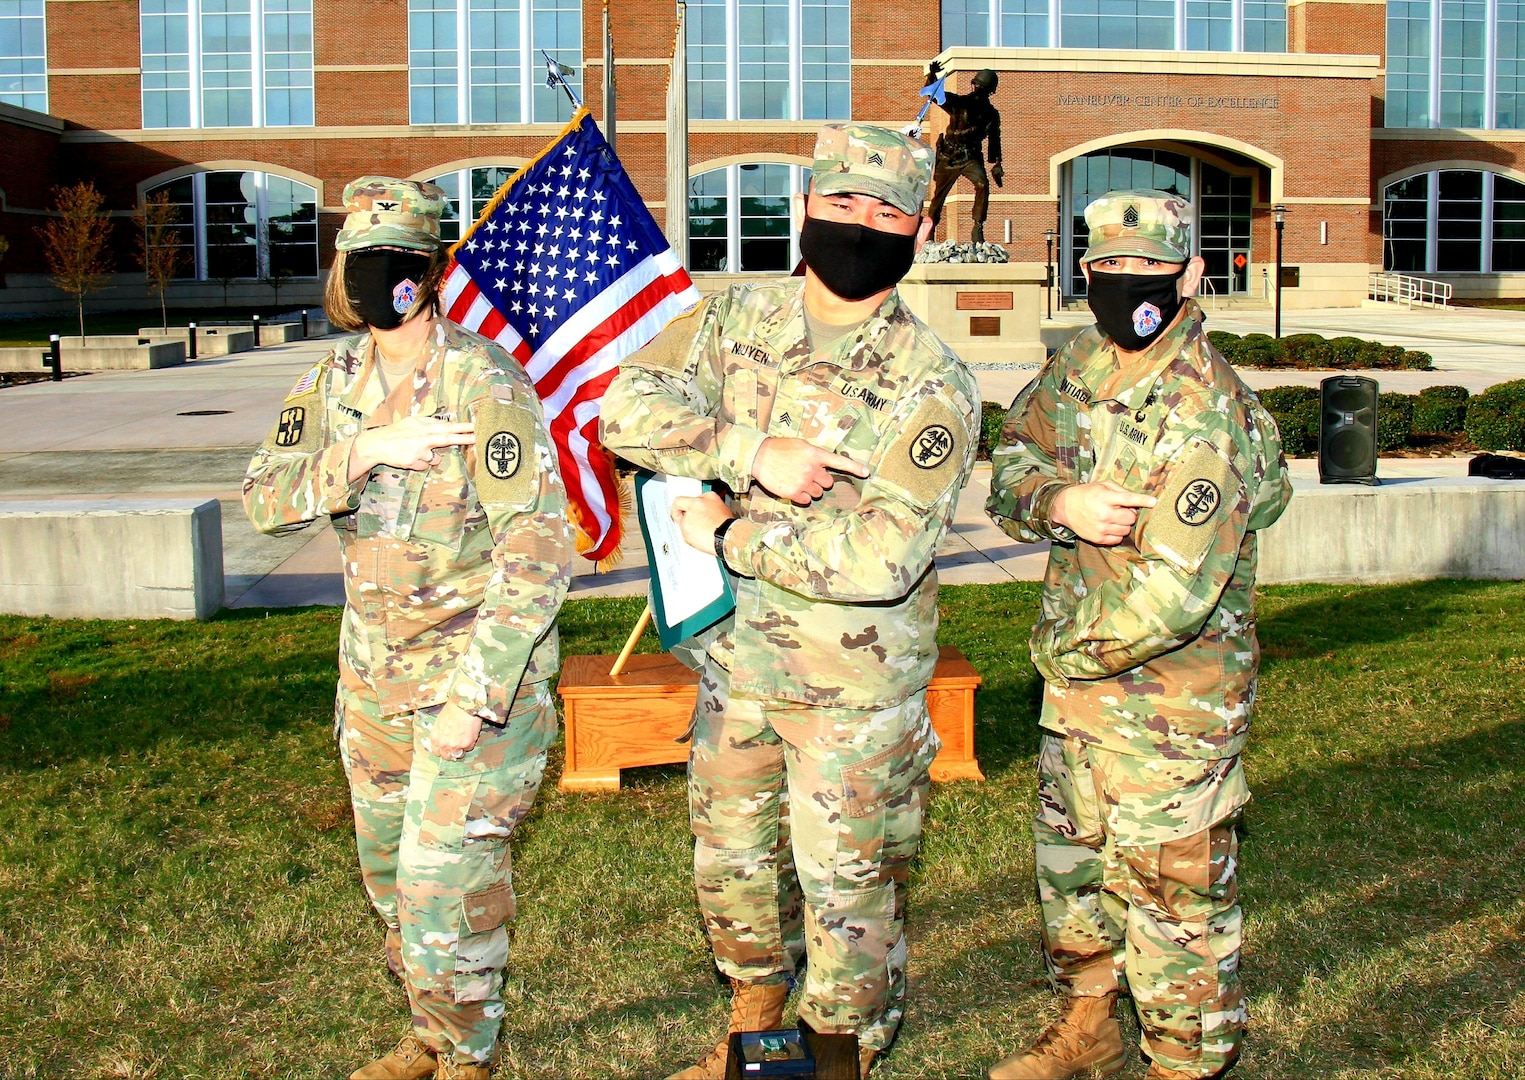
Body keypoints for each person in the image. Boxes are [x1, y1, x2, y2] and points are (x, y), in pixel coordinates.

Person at [600, 124, 979, 1080]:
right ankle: (752, 1008)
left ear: (921, 229)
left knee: (847, 890)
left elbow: (883, 556)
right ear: (805, 207)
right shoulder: (734, 325)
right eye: (843, 202)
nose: (863, 224)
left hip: (850, 686)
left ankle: (835, 1052)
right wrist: (747, 452)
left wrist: (732, 536)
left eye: (888, 210)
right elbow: (625, 409)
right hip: (736, 664)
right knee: (729, 856)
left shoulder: (932, 383)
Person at [243, 177, 574, 1080]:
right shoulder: (333, 379)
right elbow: (265, 497)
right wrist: (361, 451)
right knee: (392, 883)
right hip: (374, 685)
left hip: (472, 682)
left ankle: (467, 1054)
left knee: (443, 888)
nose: (373, 270)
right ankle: (429, 1029)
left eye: (395, 254)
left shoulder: (483, 383)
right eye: (359, 252)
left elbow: (541, 549)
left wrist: (478, 695)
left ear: (427, 272)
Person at [983, 190, 1291, 1080]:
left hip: (1173, 698)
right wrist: (1057, 500)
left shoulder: (1207, 407)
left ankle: (1182, 1063)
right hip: (1081, 688)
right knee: (1073, 867)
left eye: (1150, 267)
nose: (1129, 284)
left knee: (1172, 892)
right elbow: (1012, 459)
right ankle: (1090, 1022)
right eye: (1109, 267)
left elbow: (1175, 595)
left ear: (1193, 273)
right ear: (1085, 273)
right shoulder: (1077, 364)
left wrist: (1055, 659)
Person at [924, 62, 1004, 244]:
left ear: (989, 91)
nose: (978, 89)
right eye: (977, 85)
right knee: (939, 196)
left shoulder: (991, 114)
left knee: (982, 185)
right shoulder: (959, 103)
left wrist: (997, 163)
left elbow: (994, 139)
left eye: (982, 87)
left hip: (971, 156)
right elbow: (933, 95)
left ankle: (978, 228)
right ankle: (930, 231)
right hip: (949, 156)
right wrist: (932, 76)